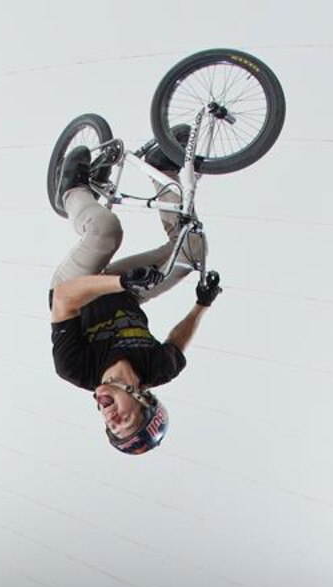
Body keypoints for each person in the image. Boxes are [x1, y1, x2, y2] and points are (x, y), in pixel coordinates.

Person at [48, 141, 218, 456]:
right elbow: (177, 342)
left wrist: (119, 281)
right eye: (125, 420)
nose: (110, 417)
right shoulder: (158, 369)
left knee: (106, 231)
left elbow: (63, 299)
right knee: (193, 252)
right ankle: (162, 167)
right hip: (126, 293)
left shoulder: (76, 369)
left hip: (78, 290)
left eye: (110, 426)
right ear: (143, 399)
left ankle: (71, 192)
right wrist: (202, 305)